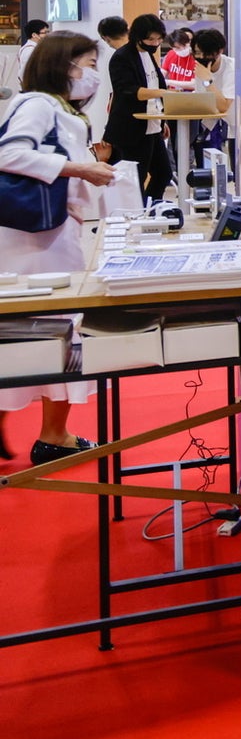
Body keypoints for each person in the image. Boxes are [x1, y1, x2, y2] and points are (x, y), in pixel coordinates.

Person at [0, 31, 117, 464]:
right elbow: (9, 155)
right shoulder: (37, 104)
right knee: (53, 329)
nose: (93, 75)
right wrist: (79, 169)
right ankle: (54, 435)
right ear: (63, 65)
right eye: (89, 65)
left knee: (49, 331)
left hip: (50, 231)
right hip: (35, 237)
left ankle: (54, 432)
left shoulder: (59, 109)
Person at [104, 13, 173, 204]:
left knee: (163, 173)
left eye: (159, 39)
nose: (155, 43)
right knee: (136, 178)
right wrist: (162, 93)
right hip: (132, 127)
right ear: (137, 36)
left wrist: (162, 120)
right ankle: (139, 213)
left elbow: (154, 84)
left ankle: (150, 209)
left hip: (153, 125)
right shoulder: (122, 57)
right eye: (151, 39)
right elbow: (128, 91)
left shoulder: (148, 55)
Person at [190, 28, 234, 156]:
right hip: (215, 123)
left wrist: (207, 80)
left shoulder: (231, 68)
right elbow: (202, 100)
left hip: (239, 127)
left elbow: (224, 106)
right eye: (198, 53)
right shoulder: (201, 68)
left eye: (206, 53)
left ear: (219, 51)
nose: (201, 57)